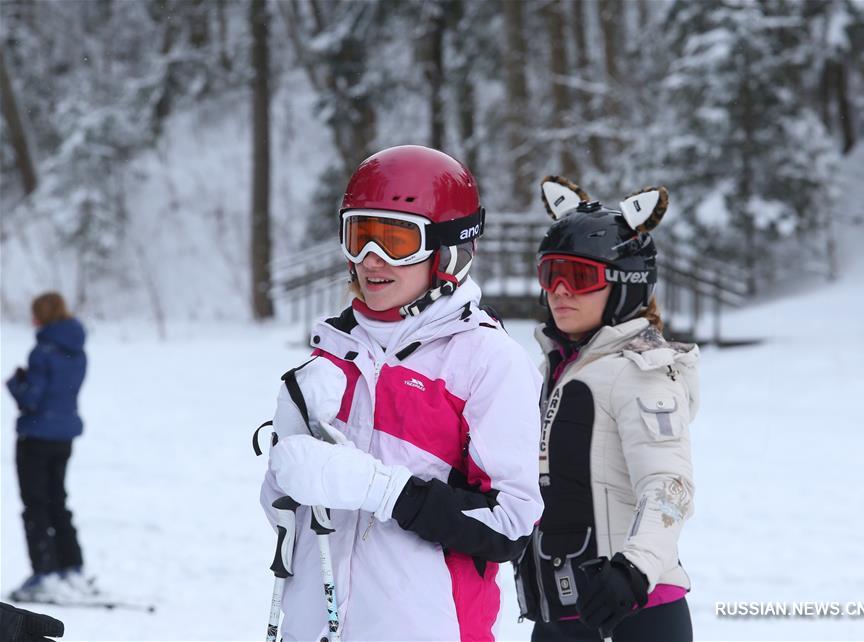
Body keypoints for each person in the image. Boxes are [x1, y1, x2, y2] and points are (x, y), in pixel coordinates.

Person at [260, 145, 544, 641]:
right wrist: (285, 474)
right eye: (360, 236)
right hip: (315, 626)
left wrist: (384, 490)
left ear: (448, 250)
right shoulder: (332, 353)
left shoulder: (487, 361)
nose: (372, 260)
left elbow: (510, 525)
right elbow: (297, 522)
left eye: (395, 240)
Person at [513, 180, 697, 642]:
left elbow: (669, 486)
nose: (559, 291)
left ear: (624, 283)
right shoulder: (556, 370)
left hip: (631, 612)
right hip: (558, 614)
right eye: (550, 273)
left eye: (578, 277)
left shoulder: (643, 370)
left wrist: (633, 571)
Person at [6, 293, 91, 603]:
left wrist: (16, 384)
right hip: (64, 436)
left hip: (37, 437)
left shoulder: (42, 352)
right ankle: (72, 566)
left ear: (41, 316)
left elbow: (31, 398)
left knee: (35, 505)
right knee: (59, 502)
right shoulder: (78, 350)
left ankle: (45, 572)